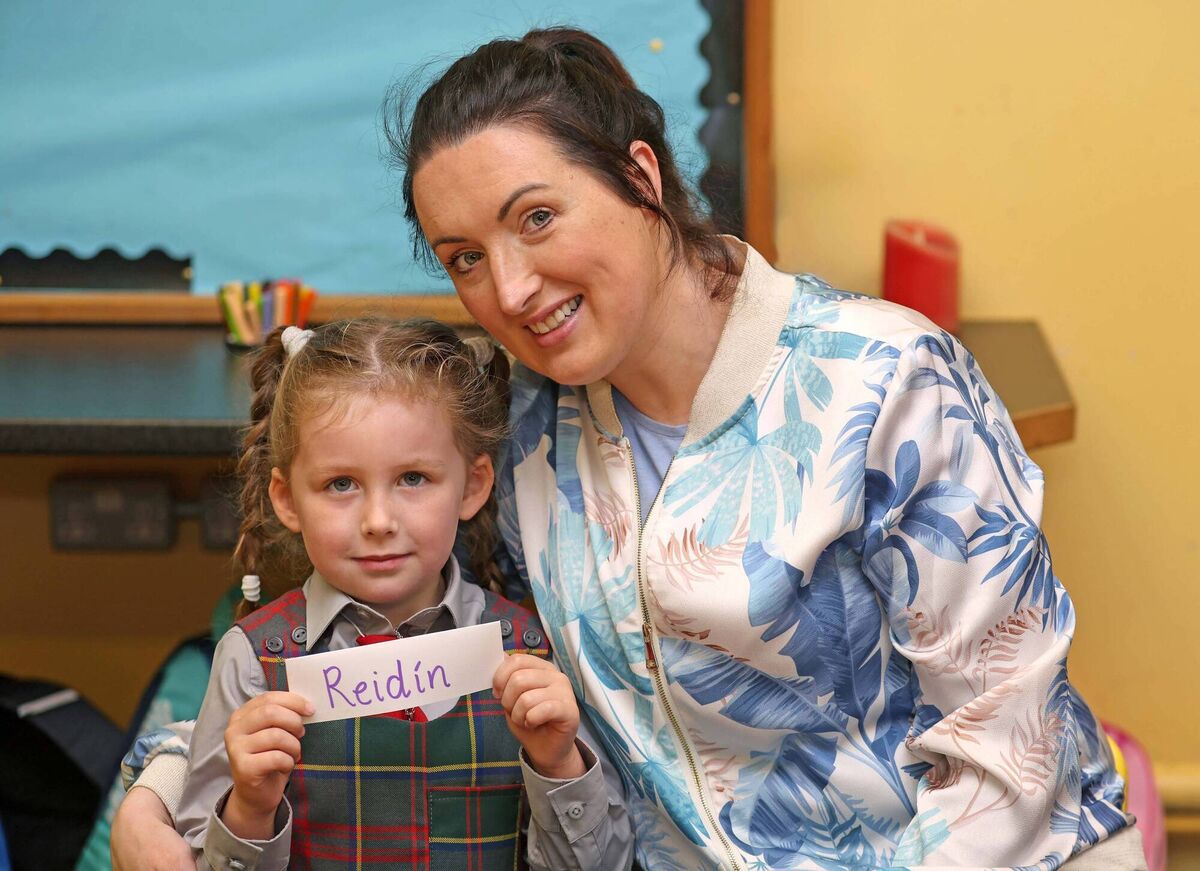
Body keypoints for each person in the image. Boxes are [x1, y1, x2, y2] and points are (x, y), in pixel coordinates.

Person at [114, 26, 1145, 870]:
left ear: (642, 178)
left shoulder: (884, 383)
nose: (510, 290)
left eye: (539, 218)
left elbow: (1011, 753)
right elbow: (363, 636)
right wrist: (162, 783)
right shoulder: (515, 433)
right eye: (465, 258)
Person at [169, 318, 631, 870]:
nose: (379, 521)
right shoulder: (253, 659)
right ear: (287, 499)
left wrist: (558, 763)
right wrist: (248, 807)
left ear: (474, 485)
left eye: (413, 478)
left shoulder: (531, 652)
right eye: (341, 484)